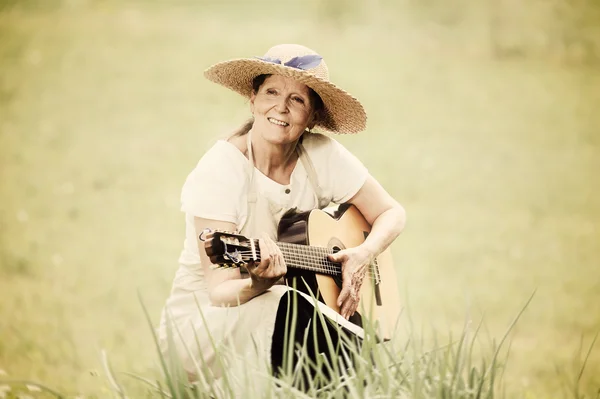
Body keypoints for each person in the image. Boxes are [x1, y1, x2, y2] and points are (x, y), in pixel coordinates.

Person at [158, 44, 406, 389]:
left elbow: (392, 213)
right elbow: (218, 290)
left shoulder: (322, 155)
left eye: (298, 100)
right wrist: (259, 282)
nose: (281, 108)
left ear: (313, 116)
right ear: (253, 99)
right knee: (287, 302)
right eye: (271, 92)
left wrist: (363, 254)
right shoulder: (220, 171)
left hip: (294, 315)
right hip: (204, 323)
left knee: (316, 312)